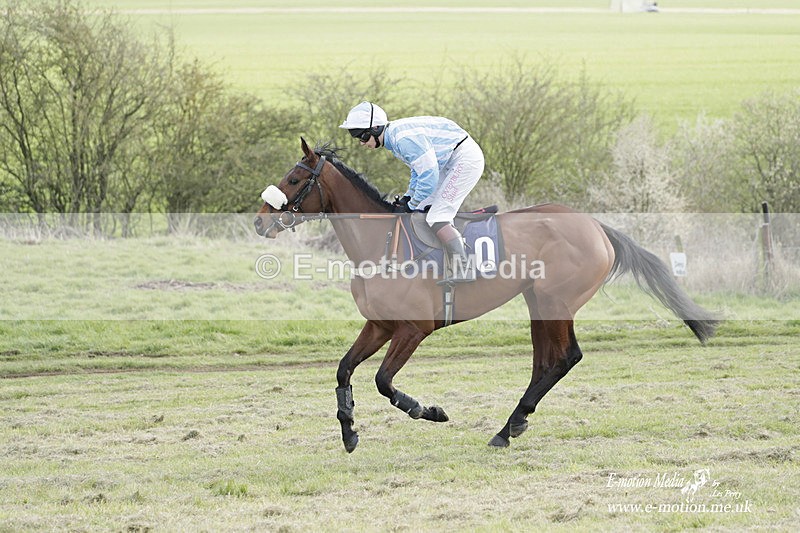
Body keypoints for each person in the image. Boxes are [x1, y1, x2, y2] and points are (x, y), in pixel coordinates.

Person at [340, 101, 485, 282]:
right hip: (447, 161)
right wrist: (409, 197)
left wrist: (411, 203)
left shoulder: (402, 140)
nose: (362, 143)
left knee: (437, 216)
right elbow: (417, 171)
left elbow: (429, 176)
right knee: (420, 210)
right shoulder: (393, 139)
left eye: (362, 137)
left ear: (376, 129)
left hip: (464, 159)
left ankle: (464, 268)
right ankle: (432, 262)